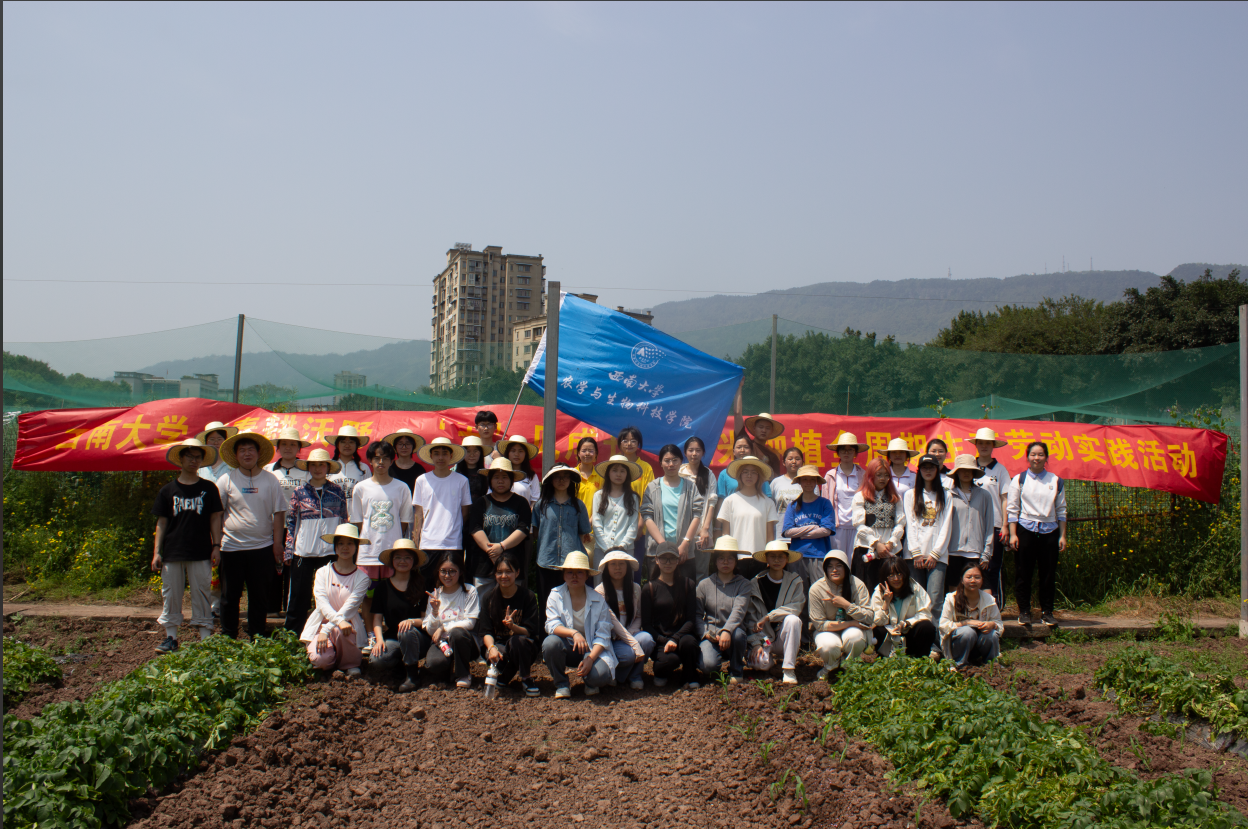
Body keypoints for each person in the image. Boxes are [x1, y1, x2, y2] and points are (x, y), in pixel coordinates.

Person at [151, 438, 223, 653]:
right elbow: (162, 522)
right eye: (189, 456)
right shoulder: (168, 490)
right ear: (181, 459)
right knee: (171, 594)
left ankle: (205, 639)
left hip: (201, 550)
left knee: (202, 593)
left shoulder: (208, 488)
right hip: (173, 551)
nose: (194, 460)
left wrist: (216, 545)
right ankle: (171, 638)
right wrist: (156, 552)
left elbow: (215, 518)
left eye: (198, 457)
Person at [216, 432, 287, 640]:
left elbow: (279, 513)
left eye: (250, 450)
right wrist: (215, 544)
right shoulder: (226, 479)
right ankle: (228, 637)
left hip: (262, 548)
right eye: (242, 450)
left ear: (258, 453)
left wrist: (277, 543)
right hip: (231, 548)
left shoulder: (270, 480)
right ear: (236, 455)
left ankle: (257, 638)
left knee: (259, 596)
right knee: (229, 596)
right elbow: (217, 514)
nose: (247, 454)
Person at [351, 440, 414, 651]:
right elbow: (357, 522)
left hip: (392, 555)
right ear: (369, 461)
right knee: (368, 597)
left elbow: (404, 522)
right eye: (376, 458)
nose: (381, 462)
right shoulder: (361, 488)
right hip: (367, 554)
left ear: (391, 461)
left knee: (393, 595)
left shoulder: (401, 487)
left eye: (385, 458)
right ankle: (371, 635)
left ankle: (394, 635)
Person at [284, 448, 349, 634]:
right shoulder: (299, 492)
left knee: (330, 596)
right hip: (303, 552)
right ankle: (291, 637)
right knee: (298, 596)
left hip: (330, 552)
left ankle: (328, 635)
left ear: (328, 467)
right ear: (308, 467)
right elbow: (291, 522)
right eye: (313, 465)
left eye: (322, 465)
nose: (318, 468)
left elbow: (344, 520)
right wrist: (289, 550)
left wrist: (344, 550)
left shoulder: (337, 491)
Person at [1007, 441, 1067, 627]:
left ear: (1046, 458)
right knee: (1023, 573)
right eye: (1033, 454)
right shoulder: (1019, 479)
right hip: (1025, 530)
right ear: (1027, 457)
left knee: (1048, 574)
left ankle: (1047, 612)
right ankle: (1024, 612)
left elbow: (1061, 510)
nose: (1037, 458)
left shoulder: (1055, 480)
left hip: (1050, 532)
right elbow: (1012, 509)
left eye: (1041, 454)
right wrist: (1013, 534)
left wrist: (1062, 536)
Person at [543, 551, 617, 698]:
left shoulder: (598, 599)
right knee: (550, 643)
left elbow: (603, 635)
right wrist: (574, 633)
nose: (574, 576)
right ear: (564, 575)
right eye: (570, 572)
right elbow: (551, 624)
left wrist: (590, 659)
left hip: (592, 649)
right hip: (568, 648)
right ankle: (562, 684)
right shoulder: (555, 595)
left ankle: (590, 681)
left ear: (587, 575)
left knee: (600, 676)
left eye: (579, 572)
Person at [301, 524, 372, 677]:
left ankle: (349, 663)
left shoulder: (362, 578)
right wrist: (325, 629)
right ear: (335, 547)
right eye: (340, 543)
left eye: (350, 543)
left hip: (347, 626)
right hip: (321, 625)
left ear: (356, 547)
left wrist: (328, 630)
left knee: (342, 630)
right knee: (320, 661)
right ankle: (333, 660)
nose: (345, 548)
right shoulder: (322, 573)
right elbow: (322, 604)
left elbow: (349, 608)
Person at [368, 540, 430, 691]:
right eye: (398, 557)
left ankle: (413, 676)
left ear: (414, 561)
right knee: (377, 660)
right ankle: (401, 666)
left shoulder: (422, 585)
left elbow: (426, 619)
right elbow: (377, 620)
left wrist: (411, 622)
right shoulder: (382, 587)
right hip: (393, 637)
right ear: (392, 561)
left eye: (407, 557)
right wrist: (379, 640)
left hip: (417, 638)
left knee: (406, 631)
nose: (403, 561)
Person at [412, 437, 473, 587]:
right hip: (428, 543)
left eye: (444, 453)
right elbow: (418, 514)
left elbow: (465, 512)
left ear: (451, 456)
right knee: (427, 586)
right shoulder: (422, 480)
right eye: (437, 453)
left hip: (453, 543)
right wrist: (416, 540)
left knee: (452, 586)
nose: (440, 457)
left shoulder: (461, 481)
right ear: (431, 456)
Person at [902, 454, 951, 643]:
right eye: (924, 467)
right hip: (914, 556)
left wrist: (935, 554)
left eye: (932, 467)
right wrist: (916, 553)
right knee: (916, 600)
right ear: (919, 471)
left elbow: (946, 526)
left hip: (937, 556)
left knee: (935, 599)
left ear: (938, 470)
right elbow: (910, 524)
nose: (928, 471)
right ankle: (917, 642)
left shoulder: (946, 494)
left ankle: (936, 644)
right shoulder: (910, 494)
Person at [481, 551, 543, 696]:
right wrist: (491, 648)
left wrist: (513, 626)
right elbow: (486, 632)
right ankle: (504, 676)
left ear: (517, 572)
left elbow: (530, 631)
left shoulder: (528, 596)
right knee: (495, 653)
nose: (504, 576)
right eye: (499, 572)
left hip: (523, 646)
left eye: (508, 571)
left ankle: (526, 678)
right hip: (499, 647)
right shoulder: (488, 598)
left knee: (517, 642)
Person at [641, 542, 701, 689]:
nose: (668, 562)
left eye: (672, 558)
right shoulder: (649, 588)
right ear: (656, 560)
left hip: (683, 636)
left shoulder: (688, 584)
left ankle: (690, 676)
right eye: (664, 558)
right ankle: (663, 673)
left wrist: (675, 638)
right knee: (668, 662)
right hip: (660, 640)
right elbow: (646, 624)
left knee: (689, 643)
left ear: (677, 560)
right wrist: (664, 640)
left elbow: (690, 620)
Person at [641, 444, 705, 581]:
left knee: (685, 590)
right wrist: (664, 546)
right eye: (667, 460)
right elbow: (647, 517)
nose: (671, 464)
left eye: (675, 460)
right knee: (657, 591)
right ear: (661, 463)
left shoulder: (690, 487)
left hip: (684, 552)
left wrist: (686, 543)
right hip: (657, 552)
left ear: (681, 461)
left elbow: (697, 516)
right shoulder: (652, 487)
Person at [265, 427, 311, 617]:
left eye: (292, 444)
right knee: (273, 566)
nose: (288, 447)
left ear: (299, 448)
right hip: (273, 526)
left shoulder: (306, 470)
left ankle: (291, 608)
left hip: (298, 527)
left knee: (294, 567)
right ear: (278, 447)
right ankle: (271, 608)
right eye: (284, 444)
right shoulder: (268, 470)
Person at [695, 537, 753, 684]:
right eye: (721, 558)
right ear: (715, 561)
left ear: (736, 561)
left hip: (734, 634)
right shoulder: (704, 585)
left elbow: (739, 610)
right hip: (711, 634)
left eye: (730, 558)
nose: (725, 562)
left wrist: (727, 630)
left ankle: (736, 670)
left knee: (738, 634)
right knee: (707, 665)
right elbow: (697, 614)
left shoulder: (744, 584)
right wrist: (705, 634)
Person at [467, 459, 532, 590]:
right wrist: (492, 552)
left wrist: (502, 546)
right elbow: (475, 528)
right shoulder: (481, 502)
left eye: (504, 477)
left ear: (511, 480)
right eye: (496, 477)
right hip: (484, 567)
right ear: (490, 480)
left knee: (512, 601)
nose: (500, 481)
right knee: (483, 602)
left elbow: (523, 529)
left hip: (512, 567)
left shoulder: (521, 503)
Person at [746, 540, 804, 684]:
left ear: (787, 559)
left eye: (781, 556)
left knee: (793, 620)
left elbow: (796, 607)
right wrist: (756, 643)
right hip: (764, 637)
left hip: (785, 635)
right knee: (759, 664)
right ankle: (771, 663)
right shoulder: (755, 583)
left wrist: (768, 617)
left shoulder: (795, 581)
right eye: (773, 556)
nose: (777, 560)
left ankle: (789, 669)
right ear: (766, 559)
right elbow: (750, 617)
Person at [808, 550, 872, 680]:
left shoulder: (857, 585)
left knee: (855, 637)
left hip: (852, 630)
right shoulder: (816, 589)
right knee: (829, 646)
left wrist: (847, 605)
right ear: (825, 569)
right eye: (830, 566)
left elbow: (869, 617)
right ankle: (831, 667)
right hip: (828, 631)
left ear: (846, 567)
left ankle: (849, 665)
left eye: (839, 565)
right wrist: (851, 623)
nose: (834, 570)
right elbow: (819, 625)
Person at [532, 464, 593, 598]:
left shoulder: (578, 505)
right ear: (550, 480)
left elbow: (582, 534)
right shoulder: (541, 505)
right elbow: (536, 532)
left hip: (572, 564)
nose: (561, 480)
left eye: (566, 476)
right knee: (546, 602)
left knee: (572, 601)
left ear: (571, 480)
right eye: (557, 477)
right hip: (546, 561)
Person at [594, 549, 652, 689]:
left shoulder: (635, 588)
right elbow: (612, 621)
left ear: (627, 566)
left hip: (630, 633)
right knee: (628, 655)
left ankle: (635, 676)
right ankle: (617, 675)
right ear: (607, 567)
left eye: (621, 563)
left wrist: (630, 632)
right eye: (613, 564)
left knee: (647, 640)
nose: (617, 568)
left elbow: (639, 616)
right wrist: (631, 642)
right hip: (612, 638)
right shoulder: (600, 591)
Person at [422, 551, 481, 689]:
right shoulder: (434, 595)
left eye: (452, 571)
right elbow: (430, 631)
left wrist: (443, 627)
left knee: (457, 633)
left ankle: (463, 674)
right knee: (434, 663)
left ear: (460, 572)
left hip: (465, 642)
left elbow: (470, 623)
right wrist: (435, 612)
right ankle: (447, 669)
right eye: (443, 571)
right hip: (442, 643)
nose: (447, 576)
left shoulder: (469, 591)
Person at [946, 454, 995, 614]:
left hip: (976, 551)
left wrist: (987, 552)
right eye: (962, 470)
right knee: (954, 590)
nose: (966, 473)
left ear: (974, 472)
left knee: (983, 588)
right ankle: (957, 619)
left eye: (970, 470)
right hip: (953, 550)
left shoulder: (984, 495)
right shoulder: (948, 495)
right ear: (957, 472)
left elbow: (989, 525)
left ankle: (985, 619)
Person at [716, 455, 777, 580]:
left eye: (754, 472)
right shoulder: (729, 501)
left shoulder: (768, 503)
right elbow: (726, 534)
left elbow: (770, 536)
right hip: (736, 559)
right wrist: (728, 557)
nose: (749, 476)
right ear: (740, 475)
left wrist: (769, 557)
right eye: (745, 472)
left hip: (760, 558)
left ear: (759, 476)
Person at [850, 458, 904, 597]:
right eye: (879, 475)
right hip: (867, 549)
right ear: (870, 476)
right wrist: (876, 544)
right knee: (866, 590)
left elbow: (900, 523)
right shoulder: (860, 496)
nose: (883, 479)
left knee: (890, 590)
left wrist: (891, 542)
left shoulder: (895, 497)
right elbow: (859, 525)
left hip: (890, 550)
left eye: (886, 475)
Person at [971, 428, 1011, 609]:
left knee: (993, 566)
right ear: (976, 445)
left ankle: (996, 605)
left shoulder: (1000, 470)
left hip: (994, 525)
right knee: (973, 567)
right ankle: (975, 605)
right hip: (972, 525)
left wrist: (1005, 525)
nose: (984, 446)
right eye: (981, 443)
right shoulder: (969, 467)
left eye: (988, 443)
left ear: (993, 445)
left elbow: (1005, 499)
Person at [781, 463, 835, 596]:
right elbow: (787, 532)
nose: (808, 482)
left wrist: (800, 533)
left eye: (812, 479)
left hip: (819, 554)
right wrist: (813, 528)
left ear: (817, 482)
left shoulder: (825, 503)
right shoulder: (793, 505)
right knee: (799, 593)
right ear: (799, 482)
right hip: (797, 555)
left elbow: (826, 531)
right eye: (805, 479)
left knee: (820, 592)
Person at [870, 557, 937, 658]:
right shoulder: (878, 592)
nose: (896, 579)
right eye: (891, 575)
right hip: (889, 638)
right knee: (877, 631)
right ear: (885, 577)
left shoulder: (915, 588)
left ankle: (920, 659)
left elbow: (925, 614)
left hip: (908, 634)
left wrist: (905, 624)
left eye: (899, 574)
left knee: (927, 627)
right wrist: (886, 603)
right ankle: (883, 659)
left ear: (905, 574)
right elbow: (877, 621)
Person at [938, 563, 1003, 667]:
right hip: (958, 645)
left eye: (977, 577)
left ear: (982, 580)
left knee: (991, 634)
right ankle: (960, 665)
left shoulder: (989, 600)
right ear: (962, 580)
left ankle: (991, 665)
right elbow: (943, 625)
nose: (973, 581)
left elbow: (999, 624)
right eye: (969, 577)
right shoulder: (951, 598)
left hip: (979, 645)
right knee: (968, 632)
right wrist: (966, 623)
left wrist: (992, 624)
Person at [591, 454, 642, 571]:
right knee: (601, 581)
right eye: (614, 470)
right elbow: (597, 523)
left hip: (626, 551)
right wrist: (607, 548)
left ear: (627, 474)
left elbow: (633, 525)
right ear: (608, 473)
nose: (618, 474)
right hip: (602, 549)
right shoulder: (599, 496)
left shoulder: (633, 498)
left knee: (624, 580)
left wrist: (623, 546)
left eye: (622, 471)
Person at [822, 432, 868, 555]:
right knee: (838, 559)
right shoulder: (830, 475)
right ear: (838, 452)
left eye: (850, 450)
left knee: (855, 561)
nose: (846, 453)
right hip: (838, 526)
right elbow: (825, 502)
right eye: (843, 449)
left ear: (855, 453)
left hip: (858, 526)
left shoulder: (863, 474)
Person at [617, 425, 655, 570]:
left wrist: (640, 526)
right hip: (615, 526)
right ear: (619, 443)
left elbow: (648, 499)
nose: (629, 444)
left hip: (638, 528)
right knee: (615, 568)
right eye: (625, 440)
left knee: (634, 569)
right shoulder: (613, 465)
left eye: (633, 441)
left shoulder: (645, 468)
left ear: (638, 443)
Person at [679, 436, 717, 578]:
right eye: (691, 450)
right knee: (682, 571)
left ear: (703, 453)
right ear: (685, 452)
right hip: (683, 531)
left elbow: (712, 503)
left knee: (701, 572)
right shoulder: (679, 472)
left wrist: (705, 529)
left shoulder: (708, 474)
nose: (694, 454)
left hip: (702, 532)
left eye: (698, 450)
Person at [325, 425, 371, 516]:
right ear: (337, 445)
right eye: (343, 442)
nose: (347, 445)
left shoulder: (364, 468)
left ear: (356, 445)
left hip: (357, 517)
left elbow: (369, 494)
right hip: (332, 516)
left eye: (351, 442)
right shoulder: (328, 467)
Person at [717, 436, 773, 501]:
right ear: (733, 452)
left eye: (746, 447)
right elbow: (721, 499)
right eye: (739, 447)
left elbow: (767, 497)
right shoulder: (725, 474)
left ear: (751, 451)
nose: (742, 450)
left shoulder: (760, 472)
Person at [496, 434, 540, 507]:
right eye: (513, 451)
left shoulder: (531, 476)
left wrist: (528, 512)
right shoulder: (499, 472)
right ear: (508, 453)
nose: (516, 454)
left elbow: (535, 500)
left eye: (520, 451)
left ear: (525, 454)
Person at [573, 436, 604, 528]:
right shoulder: (571, 475)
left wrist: (589, 522)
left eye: (590, 451)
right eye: (584, 451)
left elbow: (603, 502)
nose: (587, 454)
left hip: (595, 527)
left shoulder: (601, 476)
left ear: (596, 454)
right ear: (578, 453)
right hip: (573, 526)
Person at [742, 412, 784, 477]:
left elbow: (775, 479)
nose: (764, 430)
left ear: (771, 431)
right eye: (761, 427)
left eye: (767, 428)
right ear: (754, 428)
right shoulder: (747, 446)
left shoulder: (772, 457)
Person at [771, 447, 806, 515]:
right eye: (790, 459)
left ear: (802, 462)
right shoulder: (776, 482)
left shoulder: (809, 483)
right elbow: (769, 506)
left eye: (797, 459)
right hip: (780, 521)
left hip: (803, 521)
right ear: (783, 462)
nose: (794, 462)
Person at [884, 437, 918, 506]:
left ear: (907, 455)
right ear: (889, 455)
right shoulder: (884, 475)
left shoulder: (915, 477)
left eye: (901, 452)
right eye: (894, 452)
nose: (898, 455)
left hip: (909, 512)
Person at [456, 436, 489, 504]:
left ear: (480, 453)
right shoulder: (455, 474)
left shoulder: (486, 474)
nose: (472, 455)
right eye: (468, 451)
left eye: (475, 451)